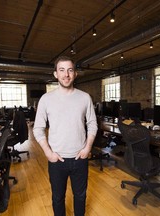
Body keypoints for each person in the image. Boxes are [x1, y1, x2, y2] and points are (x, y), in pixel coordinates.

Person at [33, 56, 98, 216]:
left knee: (80, 197)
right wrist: (48, 153)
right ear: (56, 74)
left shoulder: (85, 97)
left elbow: (92, 124)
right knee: (57, 198)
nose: (66, 74)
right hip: (57, 160)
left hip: (80, 158)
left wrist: (88, 147)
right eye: (62, 70)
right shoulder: (46, 99)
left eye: (70, 70)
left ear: (75, 74)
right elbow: (38, 129)